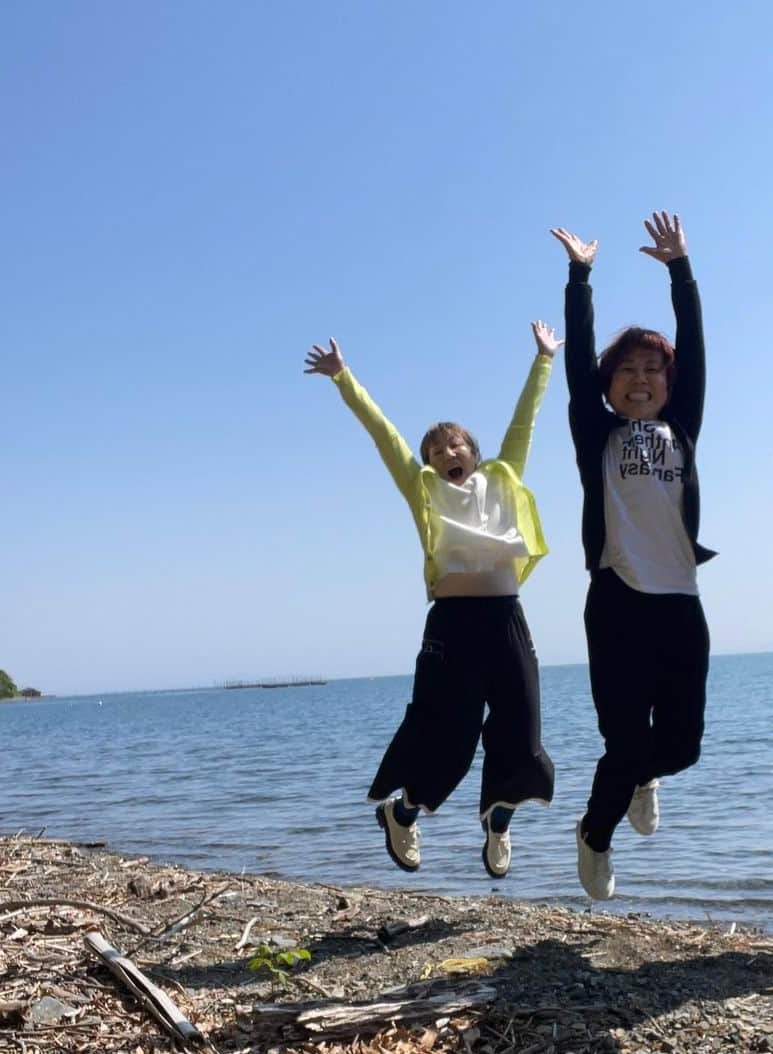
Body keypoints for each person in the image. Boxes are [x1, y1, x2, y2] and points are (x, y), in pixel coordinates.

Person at [303, 322, 560, 879]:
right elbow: (384, 434)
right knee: (449, 736)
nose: (449, 452)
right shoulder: (424, 488)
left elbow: (525, 420)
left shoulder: (502, 476)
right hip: (452, 624)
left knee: (523, 730)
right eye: (438, 448)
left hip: (506, 618)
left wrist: (543, 360)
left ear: (473, 451)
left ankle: (498, 824)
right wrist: (344, 378)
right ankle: (403, 813)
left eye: (457, 444)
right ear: (430, 460)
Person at [552, 213, 715, 901]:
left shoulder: (682, 428)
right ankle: (595, 832)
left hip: (680, 602)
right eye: (628, 370)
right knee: (622, 743)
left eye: (653, 369)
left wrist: (681, 270)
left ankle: (639, 781)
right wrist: (580, 278)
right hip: (616, 601)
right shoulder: (598, 434)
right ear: (609, 384)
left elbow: (697, 353)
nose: (642, 378)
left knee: (680, 748)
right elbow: (578, 361)